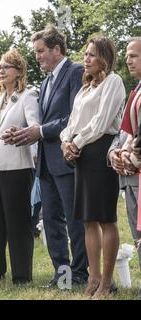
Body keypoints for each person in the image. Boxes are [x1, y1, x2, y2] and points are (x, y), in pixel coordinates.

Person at [6, 25, 88, 288]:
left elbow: (75, 118)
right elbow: (42, 122)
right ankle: (62, 278)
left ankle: (80, 275)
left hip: (66, 160)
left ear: (57, 49)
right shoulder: (45, 81)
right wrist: (25, 132)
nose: (37, 56)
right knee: (51, 221)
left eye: (41, 51)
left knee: (74, 221)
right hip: (45, 164)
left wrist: (39, 131)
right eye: (36, 52)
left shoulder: (75, 72)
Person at [60, 36, 125, 299]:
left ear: (105, 58)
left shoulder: (114, 82)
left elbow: (101, 123)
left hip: (101, 151)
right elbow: (73, 122)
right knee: (88, 219)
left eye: (92, 55)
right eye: (85, 54)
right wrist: (66, 142)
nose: (85, 59)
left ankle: (107, 283)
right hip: (81, 155)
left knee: (105, 218)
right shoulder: (85, 88)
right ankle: (93, 278)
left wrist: (75, 141)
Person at [0, 49, 39, 284]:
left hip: (18, 166)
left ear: (19, 72)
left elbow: (35, 125)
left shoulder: (29, 95)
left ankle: (22, 276)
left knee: (18, 223)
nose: (0, 71)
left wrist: (21, 132)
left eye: (6, 67)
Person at [112, 36, 141, 298]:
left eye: (134, 55)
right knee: (138, 234)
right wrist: (115, 154)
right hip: (130, 176)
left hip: (138, 172)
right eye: (127, 55)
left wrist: (130, 159)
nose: (128, 60)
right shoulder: (136, 92)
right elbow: (123, 135)